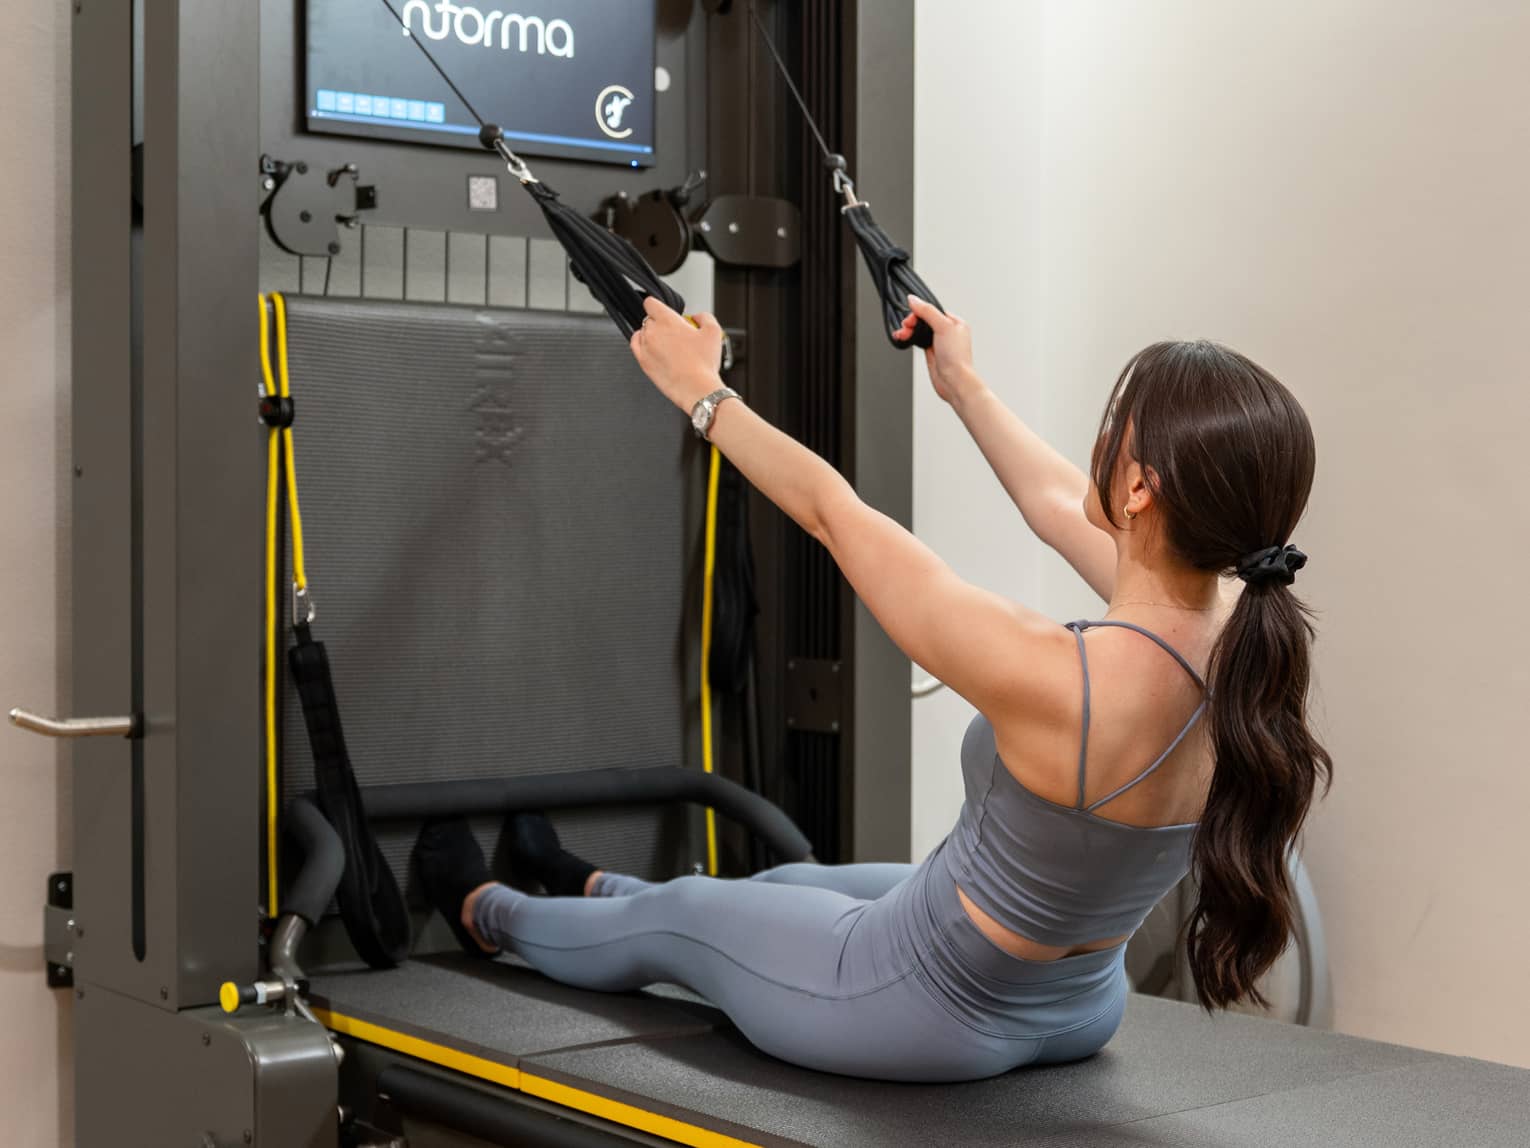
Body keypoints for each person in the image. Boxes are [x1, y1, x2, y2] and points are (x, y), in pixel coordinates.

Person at [414, 295, 1331, 1082]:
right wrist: (960, 382)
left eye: (1112, 426)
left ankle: (488, 912)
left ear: (1136, 490)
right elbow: (1056, 505)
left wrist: (704, 394)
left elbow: (833, 513)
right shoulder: (1240, 647)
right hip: (1079, 1005)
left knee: (683, 916)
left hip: (919, 1008)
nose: (1094, 442)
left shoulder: (1056, 675)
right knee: (792, 882)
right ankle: (594, 884)